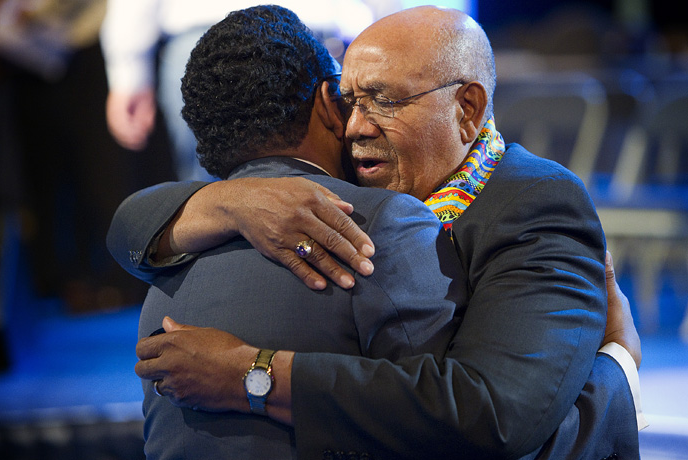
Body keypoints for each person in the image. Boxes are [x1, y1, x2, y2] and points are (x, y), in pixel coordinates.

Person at [108, 5, 645, 460]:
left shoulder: (533, 203)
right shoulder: (309, 204)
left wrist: (252, 375)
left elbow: (496, 415)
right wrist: (230, 201)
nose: (356, 125)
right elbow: (128, 226)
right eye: (348, 101)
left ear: (468, 109)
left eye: (385, 101)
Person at [108, 5, 471, 459]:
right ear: (326, 103)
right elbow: (449, 418)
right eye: (348, 97)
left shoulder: (164, 260)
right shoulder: (382, 224)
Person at [99, 0, 374, 181]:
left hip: (333, 39)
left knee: (339, 174)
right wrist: (129, 72)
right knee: (215, 187)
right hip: (213, 44)